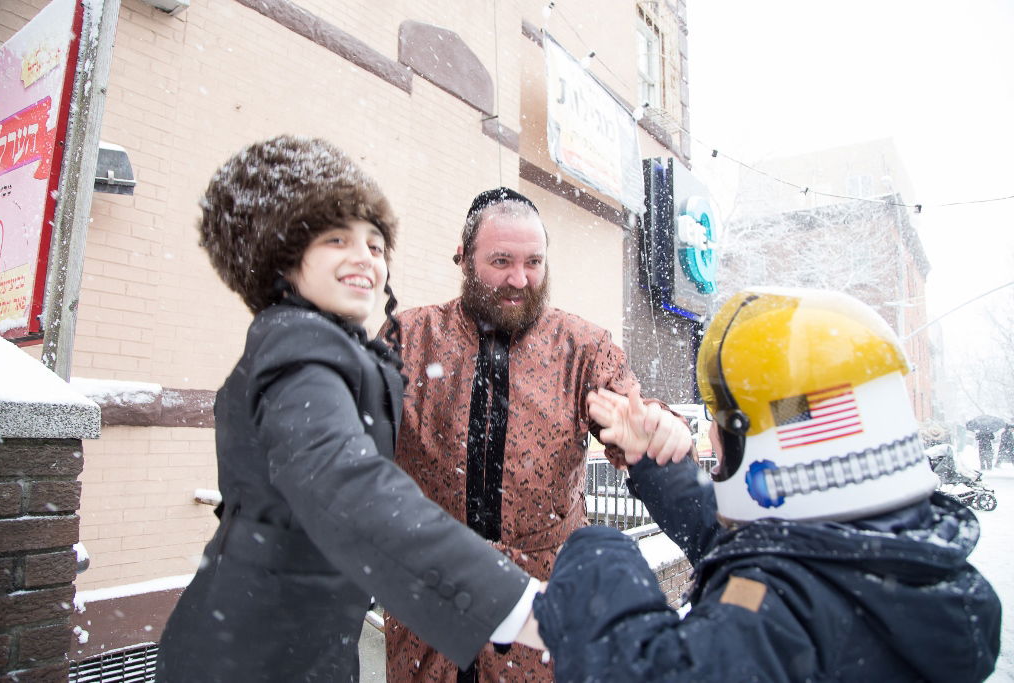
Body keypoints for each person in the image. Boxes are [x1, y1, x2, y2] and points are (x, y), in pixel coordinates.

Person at [155, 138, 544, 682]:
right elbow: (346, 487)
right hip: (256, 656)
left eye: (375, 244)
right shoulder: (298, 351)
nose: (365, 257)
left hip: (296, 643)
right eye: (337, 239)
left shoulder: (325, 345)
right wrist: (522, 606)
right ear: (282, 253)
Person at [533, 287, 1002, 682]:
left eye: (723, 420)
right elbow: (730, 533)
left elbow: (635, 667)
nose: (711, 434)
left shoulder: (774, 622)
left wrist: (596, 550)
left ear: (778, 447)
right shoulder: (890, 565)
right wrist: (649, 461)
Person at [383, 187, 693, 682]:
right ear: (463, 258)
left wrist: (660, 429)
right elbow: (354, 437)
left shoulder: (582, 347)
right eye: (501, 261)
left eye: (533, 262)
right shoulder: (409, 339)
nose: (519, 279)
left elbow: (629, 413)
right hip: (431, 602)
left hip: (541, 610)